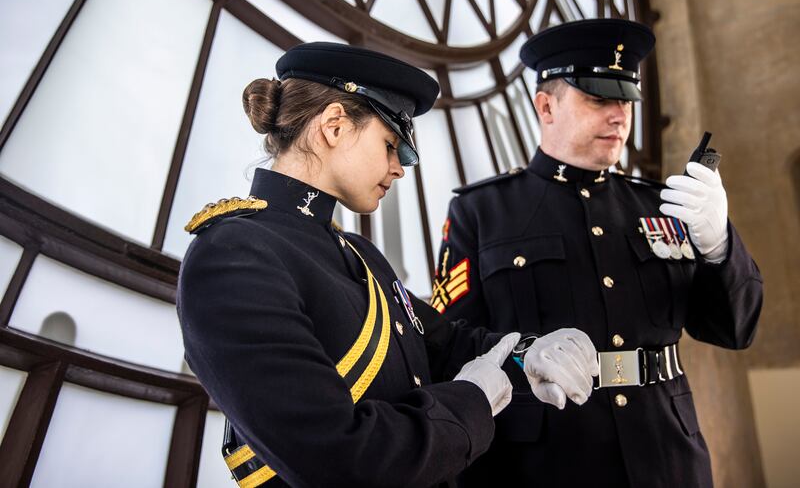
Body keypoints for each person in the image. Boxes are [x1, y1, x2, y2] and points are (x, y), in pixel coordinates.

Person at [176, 42, 598, 488]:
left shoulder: (359, 253)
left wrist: (525, 354)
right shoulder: (231, 255)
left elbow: (444, 343)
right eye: (391, 145)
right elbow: (336, 457)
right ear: (335, 125)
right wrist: (470, 400)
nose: (399, 168)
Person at [429, 19, 763, 488]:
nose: (620, 115)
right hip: (544, 462)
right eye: (599, 98)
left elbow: (735, 329)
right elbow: (452, 345)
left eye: (626, 100)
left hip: (667, 454)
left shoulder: (660, 206)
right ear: (545, 105)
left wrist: (719, 246)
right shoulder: (482, 211)